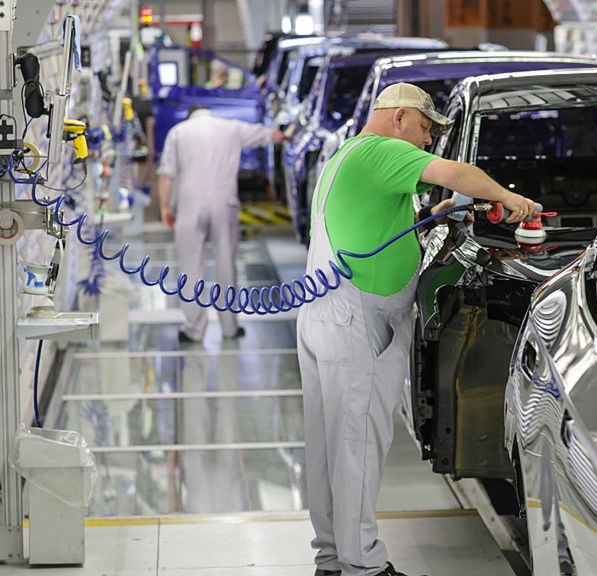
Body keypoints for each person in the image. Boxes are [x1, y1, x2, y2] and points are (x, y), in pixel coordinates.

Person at [297, 82, 533, 576]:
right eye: (425, 128)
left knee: (328, 444)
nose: (427, 140)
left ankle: (332, 557)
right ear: (400, 117)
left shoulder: (351, 156)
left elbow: (376, 223)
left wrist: (427, 216)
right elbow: (457, 172)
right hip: (355, 320)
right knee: (358, 441)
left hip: (328, 315)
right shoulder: (381, 150)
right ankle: (363, 565)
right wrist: (508, 196)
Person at [157, 105, 285, 343]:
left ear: (191, 114)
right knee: (226, 263)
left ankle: (194, 329)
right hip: (224, 202)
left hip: (189, 203)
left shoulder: (179, 132)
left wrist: (165, 207)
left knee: (190, 267)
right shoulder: (231, 128)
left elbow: (166, 174)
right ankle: (229, 327)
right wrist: (285, 134)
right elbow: (270, 135)